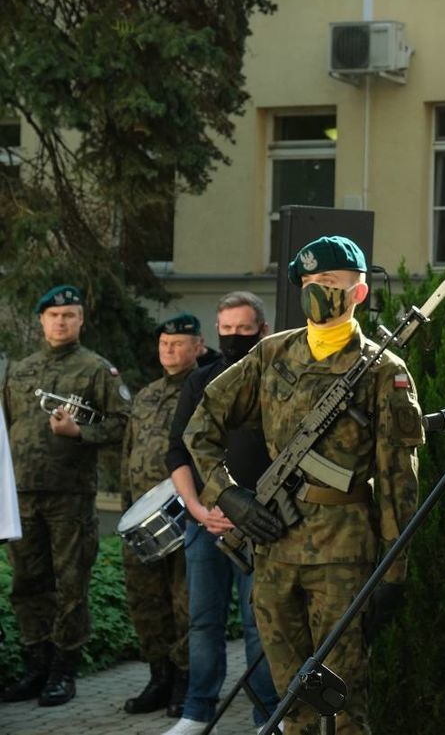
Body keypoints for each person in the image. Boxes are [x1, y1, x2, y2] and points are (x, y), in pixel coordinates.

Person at [183, 237, 422, 735]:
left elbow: (399, 480)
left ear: (358, 293)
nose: (318, 293)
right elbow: (199, 425)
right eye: (311, 284)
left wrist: (393, 573)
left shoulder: (383, 371)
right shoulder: (272, 354)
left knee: (342, 697)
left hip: (343, 553)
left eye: (331, 284)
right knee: (290, 697)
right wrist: (228, 495)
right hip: (273, 545)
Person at [1, 284, 131, 707]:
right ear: (41, 321)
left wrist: (80, 433)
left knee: (70, 584)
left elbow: (124, 425)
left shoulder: (96, 370)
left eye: (70, 315)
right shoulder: (19, 371)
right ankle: (35, 666)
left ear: (81, 321)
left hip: (69, 497)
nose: (61, 322)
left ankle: (63, 671)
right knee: (26, 583)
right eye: (54, 316)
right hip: (21, 494)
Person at [162, 291, 279, 735]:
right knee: (204, 621)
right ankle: (197, 712)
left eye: (243, 329)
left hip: (262, 524)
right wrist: (194, 508)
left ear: (262, 331)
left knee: (261, 625)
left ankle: (269, 718)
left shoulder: (278, 381)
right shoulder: (201, 381)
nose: (233, 337)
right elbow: (178, 450)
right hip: (206, 523)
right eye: (225, 330)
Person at [119, 314, 201, 718]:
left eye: (179, 343)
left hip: (183, 513)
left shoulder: (204, 388)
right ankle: (160, 676)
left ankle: (187, 681)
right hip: (143, 517)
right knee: (146, 599)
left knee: (185, 600)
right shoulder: (147, 394)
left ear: (198, 347)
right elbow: (128, 453)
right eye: (164, 343)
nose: (169, 350)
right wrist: (125, 505)